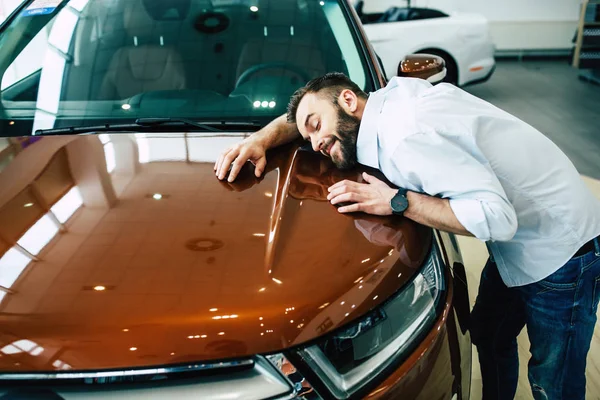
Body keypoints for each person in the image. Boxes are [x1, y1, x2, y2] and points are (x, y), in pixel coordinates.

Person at [214, 72, 600, 400]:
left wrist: (398, 202)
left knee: (553, 378)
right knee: (488, 331)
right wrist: (261, 138)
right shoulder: (385, 101)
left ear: (349, 100)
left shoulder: (406, 138)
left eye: (315, 127)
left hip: (560, 249)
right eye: (307, 135)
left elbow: (498, 219)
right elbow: (315, 109)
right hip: (519, 244)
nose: (314, 144)